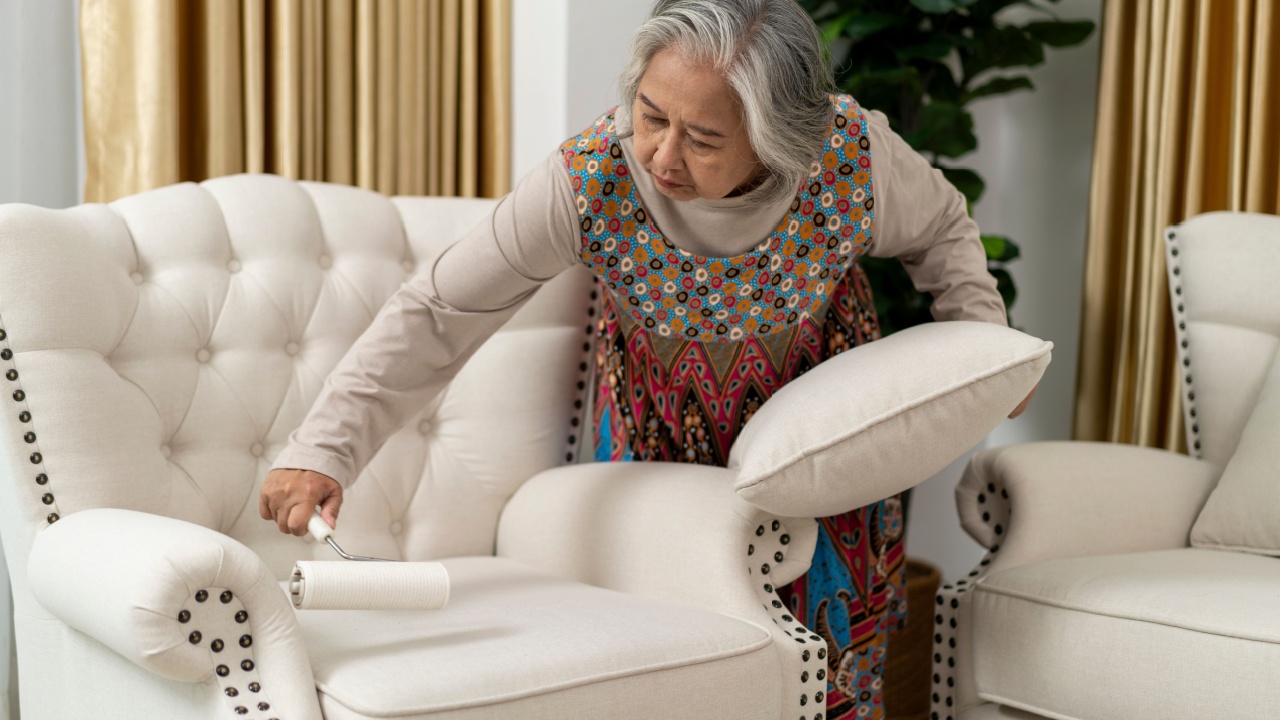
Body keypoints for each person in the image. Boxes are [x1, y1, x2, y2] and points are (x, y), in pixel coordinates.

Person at [261, 1, 1034, 717]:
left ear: (777, 142)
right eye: (651, 116)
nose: (662, 155)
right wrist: (326, 447)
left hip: (823, 450)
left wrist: (981, 338)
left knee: (829, 676)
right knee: (667, 672)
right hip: (653, 439)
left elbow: (941, 229)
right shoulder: (592, 176)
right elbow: (440, 310)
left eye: (703, 139)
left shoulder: (846, 159)